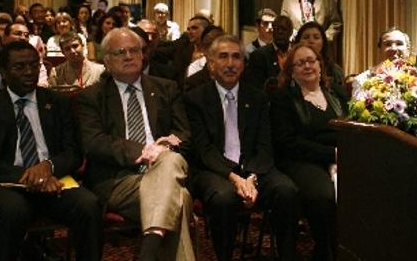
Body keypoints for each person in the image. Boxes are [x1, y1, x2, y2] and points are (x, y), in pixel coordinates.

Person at [0, 41, 103, 260]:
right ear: (3, 72)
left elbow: (73, 152)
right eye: (19, 67)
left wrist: (47, 168)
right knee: (11, 210)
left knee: (89, 205)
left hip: (54, 180)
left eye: (33, 65)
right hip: (9, 184)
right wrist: (31, 177)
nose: (29, 72)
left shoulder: (58, 102)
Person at [78, 28, 195, 261]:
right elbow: (94, 143)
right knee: (180, 200)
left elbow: (184, 134)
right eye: (120, 52)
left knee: (170, 160)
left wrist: (165, 150)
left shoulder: (166, 88)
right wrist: (144, 151)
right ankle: (150, 249)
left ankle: (149, 249)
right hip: (119, 178)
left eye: (134, 50)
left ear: (143, 55)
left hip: (165, 169)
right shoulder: (92, 96)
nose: (129, 56)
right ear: (107, 61)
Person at [185, 34, 299, 261]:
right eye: (223, 57)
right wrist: (235, 178)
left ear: (244, 64)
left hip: (254, 169)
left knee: (287, 191)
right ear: (211, 64)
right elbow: (203, 149)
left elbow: (265, 146)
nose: (230, 64)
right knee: (224, 198)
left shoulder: (258, 98)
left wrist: (252, 178)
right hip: (214, 170)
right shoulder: (195, 99)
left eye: (236, 57)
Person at [270, 43, 343, 261]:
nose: (307, 66)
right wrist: (333, 155)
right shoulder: (283, 99)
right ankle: (326, 253)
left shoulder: (337, 94)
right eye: (300, 63)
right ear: (291, 71)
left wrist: (341, 156)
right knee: (324, 196)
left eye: (311, 61)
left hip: (339, 157)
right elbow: (288, 143)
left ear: (320, 65)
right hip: (300, 161)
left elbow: (350, 128)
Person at [293, 21, 346, 100]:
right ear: (298, 41)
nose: (311, 41)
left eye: (316, 37)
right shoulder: (291, 67)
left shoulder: (335, 70)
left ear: (323, 42)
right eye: (306, 37)